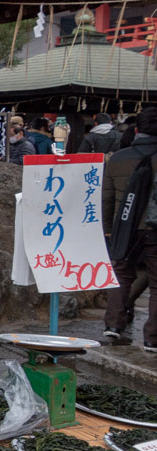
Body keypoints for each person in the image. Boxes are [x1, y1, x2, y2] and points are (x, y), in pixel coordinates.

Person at [101, 106, 157, 351]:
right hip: (155, 229)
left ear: (136, 130)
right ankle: (152, 338)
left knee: (121, 275)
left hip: (124, 227)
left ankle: (113, 325)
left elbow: (107, 199)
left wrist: (108, 230)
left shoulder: (118, 159)